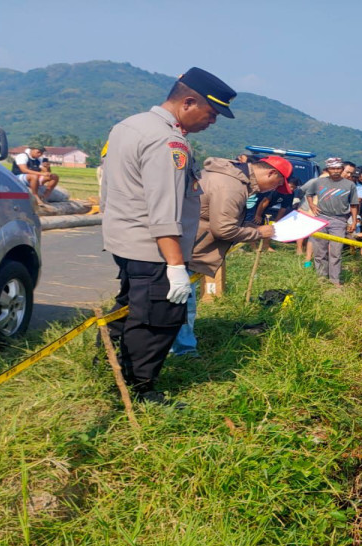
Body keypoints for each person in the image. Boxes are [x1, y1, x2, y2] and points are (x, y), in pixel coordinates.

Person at [101, 67, 235, 403]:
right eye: (212, 113)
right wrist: (175, 267)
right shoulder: (168, 141)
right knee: (157, 319)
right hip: (154, 249)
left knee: (131, 306)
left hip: (127, 240)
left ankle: (110, 365)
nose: (213, 121)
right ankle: (139, 389)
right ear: (189, 102)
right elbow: (164, 210)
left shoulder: (129, 126)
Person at [171, 156, 288, 357]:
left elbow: (216, 216)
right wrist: (259, 233)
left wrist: (248, 227)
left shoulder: (230, 178)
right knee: (182, 302)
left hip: (185, 243)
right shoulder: (232, 186)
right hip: (186, 248)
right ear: (271, 173)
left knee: (174, 301)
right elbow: (223, 229)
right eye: (276, 184)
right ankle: (183, 352)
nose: (273, 189)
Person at [307, 158, 360, 286]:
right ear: (328, 169)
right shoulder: (319, 182)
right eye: (333, 169)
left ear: (342, 169)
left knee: (336, 252)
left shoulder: (349, 185)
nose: (336, 171)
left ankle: (335, 280)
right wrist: (312, 206)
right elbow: (309, 194)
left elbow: (354, 204)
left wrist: (353, 222)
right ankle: (321, 278)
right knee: (320, 251)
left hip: (339, 220)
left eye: (338, 169)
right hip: (321, 217)